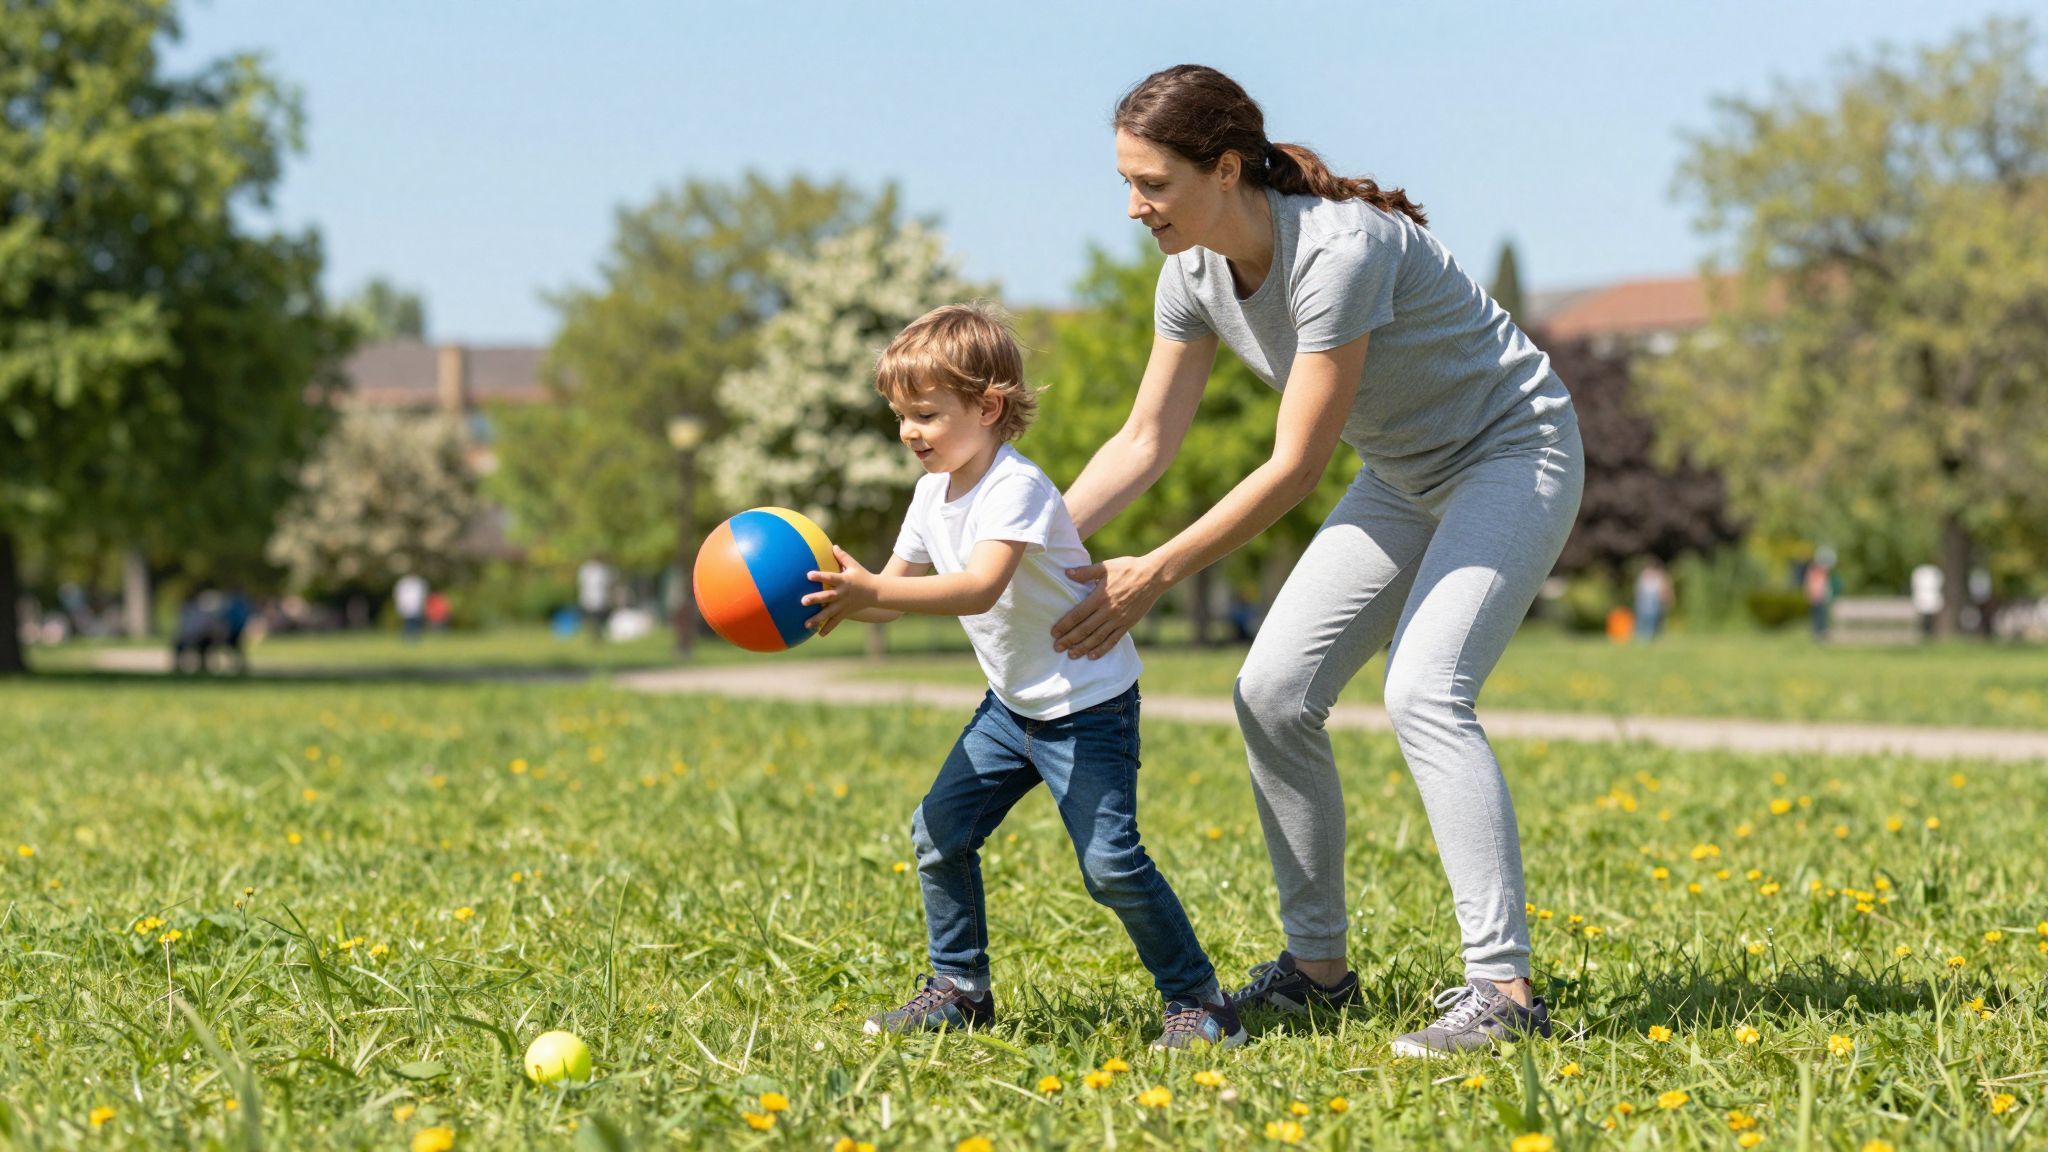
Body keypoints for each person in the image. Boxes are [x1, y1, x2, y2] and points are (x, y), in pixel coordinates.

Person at [1049, 66, 1582, 1056]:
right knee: (1270, 691)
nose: (1133, 208)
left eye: (1151, 184)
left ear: (1220, 169)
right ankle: (1315, 972)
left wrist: (1151, 573)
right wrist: (1022, 546)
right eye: (1124, 183)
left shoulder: (1337, 252)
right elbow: (1141, 442)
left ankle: (1502, 992)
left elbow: (1293, 466)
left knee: (1424, 691)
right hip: (1400, 472)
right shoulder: (1193, 276)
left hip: (1511, 451)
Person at [802, 303, 1245, 1050]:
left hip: (1087, 705)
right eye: (901, 416)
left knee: (1109, 864)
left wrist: (876, 592)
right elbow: (891, 596)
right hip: (1010, 709)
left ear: (989, 406)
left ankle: (1201, 1000)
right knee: (937, 835)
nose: (911, 432)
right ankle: (960, 990)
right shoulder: (929, 494)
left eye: (927, 415)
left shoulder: (1016, 488)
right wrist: (841, 593)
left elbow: (979, 587)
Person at [1633, 559, 1673, 642]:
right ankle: (1642, 638)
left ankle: (1649, 638)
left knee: (1653, 620)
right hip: (1644, 602)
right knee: (1642, 620)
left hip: (1653, 602)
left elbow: (1663, 591)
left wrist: (1666, 600)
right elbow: (1638, 592)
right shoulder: (1642, 579)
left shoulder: (1657, 578)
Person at [577, 557, 613, 644]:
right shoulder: (585, 569)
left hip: (600, 599)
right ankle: (594, 637)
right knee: (592, 620)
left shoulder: (601, 570)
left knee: (598, 620)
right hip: (589, 599)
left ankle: (598, 636)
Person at [1910, 562, 1943, 641]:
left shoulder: (1935, 573)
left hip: (1931, 599)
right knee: (1924, 620)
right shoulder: (1920, 573)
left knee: (1931, 620)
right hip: (1924, 599)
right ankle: (1925, 635)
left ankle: (1931, 635)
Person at [393, 573, 428, 643]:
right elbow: (399, 595)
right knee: (408, 623)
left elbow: (422, 595)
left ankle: (414, 638)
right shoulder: (404, 583)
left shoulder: (418, 583)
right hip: (407, 606)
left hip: (416, 607)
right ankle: (408, 638)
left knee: (416, 623)